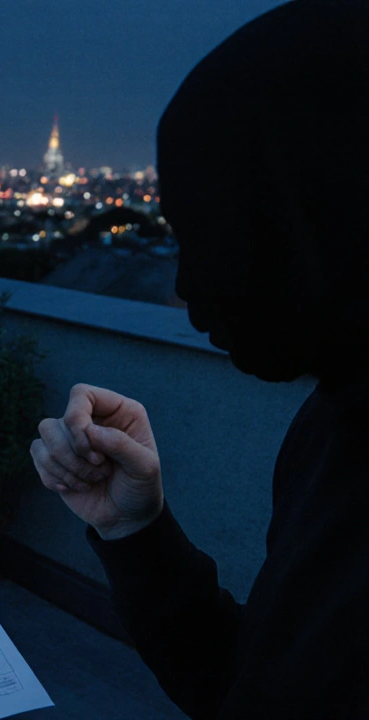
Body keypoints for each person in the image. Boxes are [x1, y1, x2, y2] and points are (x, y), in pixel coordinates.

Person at [30, 2, 368, 717]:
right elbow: (252, 685)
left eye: (213, 234)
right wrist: (135, 529)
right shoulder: (328, 430)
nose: (185, 289)